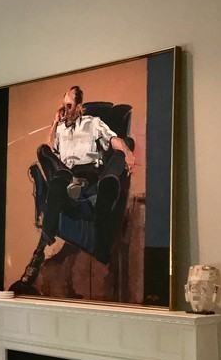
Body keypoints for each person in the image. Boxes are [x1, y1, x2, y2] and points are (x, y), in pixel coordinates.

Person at [15, 86, 135, 288]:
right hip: (66, 173)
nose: (65, 110)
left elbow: (113, 139)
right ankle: (39, 253)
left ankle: (40, 249)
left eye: (69, 106)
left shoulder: (92, 123)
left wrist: (127, 152)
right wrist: (54, 124)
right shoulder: (61, 129)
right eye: (63, 106)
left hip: (89, 173)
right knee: (48, 159)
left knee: (122, 149)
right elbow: (51, 150)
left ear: (79, 107)